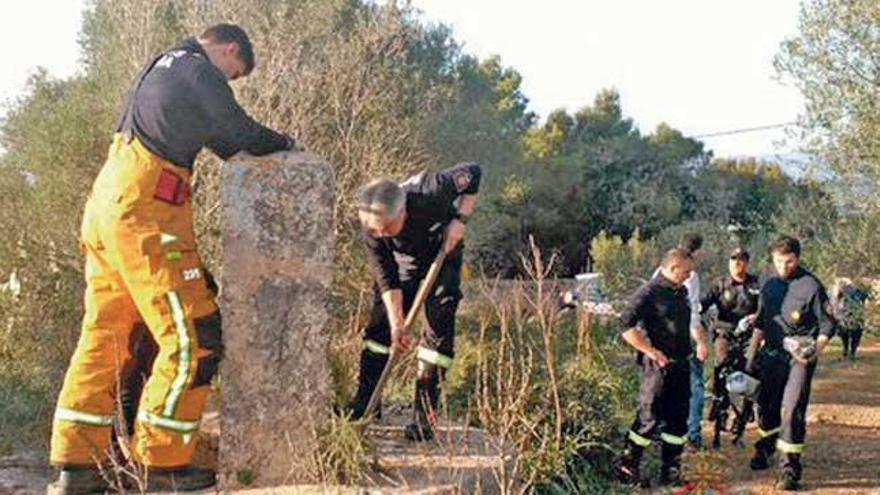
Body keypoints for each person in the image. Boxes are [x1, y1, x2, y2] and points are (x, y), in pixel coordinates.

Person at [49, 24, 298, 494]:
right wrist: (287, 142)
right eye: (236, 72)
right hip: (145, 210)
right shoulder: (199, 71)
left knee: (107, 334)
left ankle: (76, 467)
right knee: (195, 336)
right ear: (229, 50)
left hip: (109, 206)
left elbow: (219, 142)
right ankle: (162, 465)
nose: (231, 80)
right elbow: (238, 134)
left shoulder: (159, 69)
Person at [347, 163, 481, 441]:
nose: (379, 235)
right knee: (380, 329)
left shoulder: (433, 189)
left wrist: (460, 220)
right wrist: (398, 324)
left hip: (442, 254)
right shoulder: (372, 228)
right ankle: (367, 404)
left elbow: (475, 173)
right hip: (402, 264)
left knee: (439, 326)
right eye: (374, 231)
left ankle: (424, 415)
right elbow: (386, 279)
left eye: (386, 229)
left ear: (403, 211)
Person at [749, 236, 836, 491]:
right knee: (766, 407)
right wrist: (750, 359)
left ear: (797, 258)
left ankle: (789, 469)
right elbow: (761, 322)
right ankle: (765, 449)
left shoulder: (811, 286)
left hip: (799, 359)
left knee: (791, 409)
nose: (784, 267)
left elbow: (828, 324)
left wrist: (814, 350)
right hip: (771, 356)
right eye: (778, 261)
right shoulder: (769, 283)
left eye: (789, 262)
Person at [617, 248, 709, 487]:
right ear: (672, 268)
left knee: (678, 420)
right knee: (649, 417)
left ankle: (670, 470)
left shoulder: (681, 291)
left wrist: (699, 342)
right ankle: (628, 468)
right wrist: (650, 351)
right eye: (686, 271)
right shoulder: (649, 292)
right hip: (657, 368)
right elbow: (625, 325)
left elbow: (689, 323)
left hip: (681, 365)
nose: (689, 276)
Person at [652, 234, 709, 449]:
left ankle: (660, 431)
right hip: (683, 340)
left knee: (663, 387)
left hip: (661, 340)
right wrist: (701, 342)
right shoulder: (690, 276)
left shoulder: (662, 271)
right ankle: (692, 434)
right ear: (696, 252)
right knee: (694, 387)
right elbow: (692, 313)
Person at [700, 247, 760, 448]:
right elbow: (702, 304)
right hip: (725, 333)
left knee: (751, 372)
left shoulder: (755, 285)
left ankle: (745, 417)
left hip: (749, 336)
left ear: (747, 263)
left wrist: (756, 319)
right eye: (734, 260)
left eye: (741, 260)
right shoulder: (720, 284)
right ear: (729, 262)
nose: (737, 264)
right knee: (722, 367)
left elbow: (765, 309)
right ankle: (720, 407)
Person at [832, 278, 869, 360]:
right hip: (857, 317)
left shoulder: (842, 290)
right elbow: (865, 303)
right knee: (856, 335)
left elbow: (836, 301)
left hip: (846, 316)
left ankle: (846, 351)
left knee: (845, 335)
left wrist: (837, 313)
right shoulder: (859, 291)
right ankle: (852, 352)